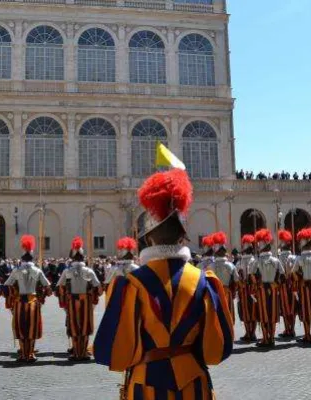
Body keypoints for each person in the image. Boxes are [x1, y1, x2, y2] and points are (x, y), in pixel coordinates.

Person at [94, 168, 233, 399]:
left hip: (146, 384)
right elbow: (216, 350)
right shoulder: (205, 281)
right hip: (193, 383)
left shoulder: (130, 284)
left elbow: (115, 352)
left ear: (148, 239)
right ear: (182, 238)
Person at [3, 235, 52, 362]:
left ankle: (22, 354)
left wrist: (12, 295)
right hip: (33, 301)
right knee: (32, 328)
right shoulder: (38, 270)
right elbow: (48, 287)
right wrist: (42, 294)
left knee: (20, 328)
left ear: (22, 259)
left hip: (19, 301)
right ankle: (30, 353)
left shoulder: (16, 270)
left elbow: (6, 285)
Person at [57, 237, 102, 361]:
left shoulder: (67, 271)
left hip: (72, 301)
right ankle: (83, 352)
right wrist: (93, 295)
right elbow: (99, 289)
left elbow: (59, 287)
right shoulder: (89, 271)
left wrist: (64, 297)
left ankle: (76, 352)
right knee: (85, 326)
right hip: (86, 301)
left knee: (74, 326)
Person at [251, 228, 285, 347]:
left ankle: (266, 339)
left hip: (262, 290)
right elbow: (282, 275)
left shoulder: (257, 261)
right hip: (274, 290)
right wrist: (276, 284)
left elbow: (252, 276)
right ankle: (272, 338)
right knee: (273, 314)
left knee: (264, 314)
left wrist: (257, 285)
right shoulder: (276, 260)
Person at [205, 232, 237, 325]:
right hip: (227, 292)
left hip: (214, 293)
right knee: (228, 317)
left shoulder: (210, 266)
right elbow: (236, 280)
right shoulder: (231, 265)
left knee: (217, 318)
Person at [104, 237, 139, 303]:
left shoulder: (114, 268)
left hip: (118, 301)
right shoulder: (137, 268)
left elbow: (107, 286)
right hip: (134, 300)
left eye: (120, 250)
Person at [237, 234, 257, 342]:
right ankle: (251, 333)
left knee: (247, 311)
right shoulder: (253, 260)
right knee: (250, 310)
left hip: (245, 289)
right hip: (250, 289)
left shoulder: (241, 261)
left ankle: (249, 333)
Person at [277, 229, 297, 338]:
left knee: (285, 308)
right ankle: (292, 329)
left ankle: (287, 329)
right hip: (293, 285)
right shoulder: (294, 257)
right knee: (293, 307)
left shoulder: (279, 257)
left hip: (283, 286)